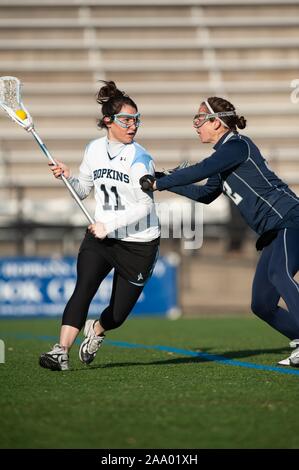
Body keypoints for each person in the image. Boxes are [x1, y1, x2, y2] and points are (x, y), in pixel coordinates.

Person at [140, 96, 299, 367]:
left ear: (217, 122)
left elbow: (201, 170)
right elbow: (206, 194)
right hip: (272, 233)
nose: (196, 125)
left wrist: (160, 183)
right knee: (261, 304)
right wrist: (164, 181)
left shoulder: (237, 145)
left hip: (289, 219)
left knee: (278, 273)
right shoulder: (223, 157)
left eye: (200, 119)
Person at [39, 81, 160, 371]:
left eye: (136, 120)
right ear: (108, 121)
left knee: (117, 315)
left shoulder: (140, 159)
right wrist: (67, 177)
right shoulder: (93, 149)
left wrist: (110, 224)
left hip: (138, 243)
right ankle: (61, 351)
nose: (133, 126)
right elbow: (83, 190)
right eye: (126, 120)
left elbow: (145, 207)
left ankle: (97, 330)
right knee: (84, 288)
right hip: (101, 237)